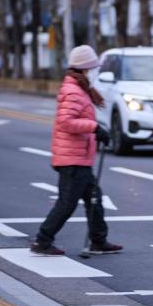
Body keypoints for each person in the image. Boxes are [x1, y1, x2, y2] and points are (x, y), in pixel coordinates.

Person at [30, 45, 123, 256]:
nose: (95, 71)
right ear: (84, 69)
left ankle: (98, 240)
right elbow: (66, 122)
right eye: (93, 67)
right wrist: (94, 127)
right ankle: (42, 241)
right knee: (67, 203)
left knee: (94, 199)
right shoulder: (73, 91)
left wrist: (98, 130)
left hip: (79, 157)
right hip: (72, 159)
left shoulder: (79, 89)